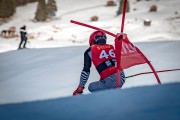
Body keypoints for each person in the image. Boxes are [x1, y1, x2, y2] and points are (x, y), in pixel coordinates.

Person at [73, 30, 126, 95]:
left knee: (91, 86)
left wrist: (79, 89)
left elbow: (86, 71)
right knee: (105, 84)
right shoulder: (111, 47)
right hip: (121, 77)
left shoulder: (89, 51)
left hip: (110, 82)